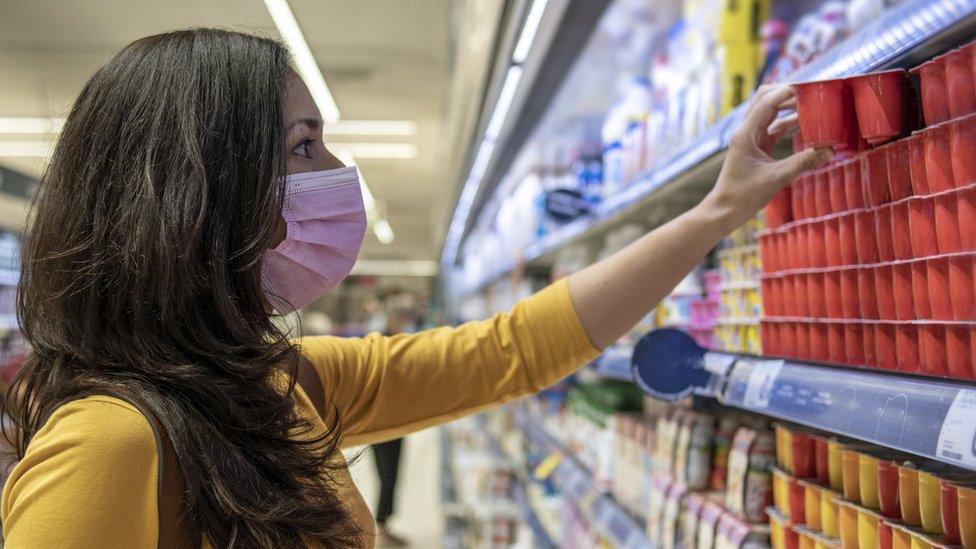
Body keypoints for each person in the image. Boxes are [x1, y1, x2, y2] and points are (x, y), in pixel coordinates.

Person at [0, 29, 830, 548]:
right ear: (200, 194)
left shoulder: (282, 382)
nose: (336, 174)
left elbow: (515, 351)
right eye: (303, 147)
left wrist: (719, 210)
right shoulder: (110, 444)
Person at [368, 289, 422, 547]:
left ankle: (384, 523)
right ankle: (382, 525)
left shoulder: (389, 342)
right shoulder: (386, 345)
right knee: (387, 476)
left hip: (389, 421)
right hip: (383, 423)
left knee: (390, 476)